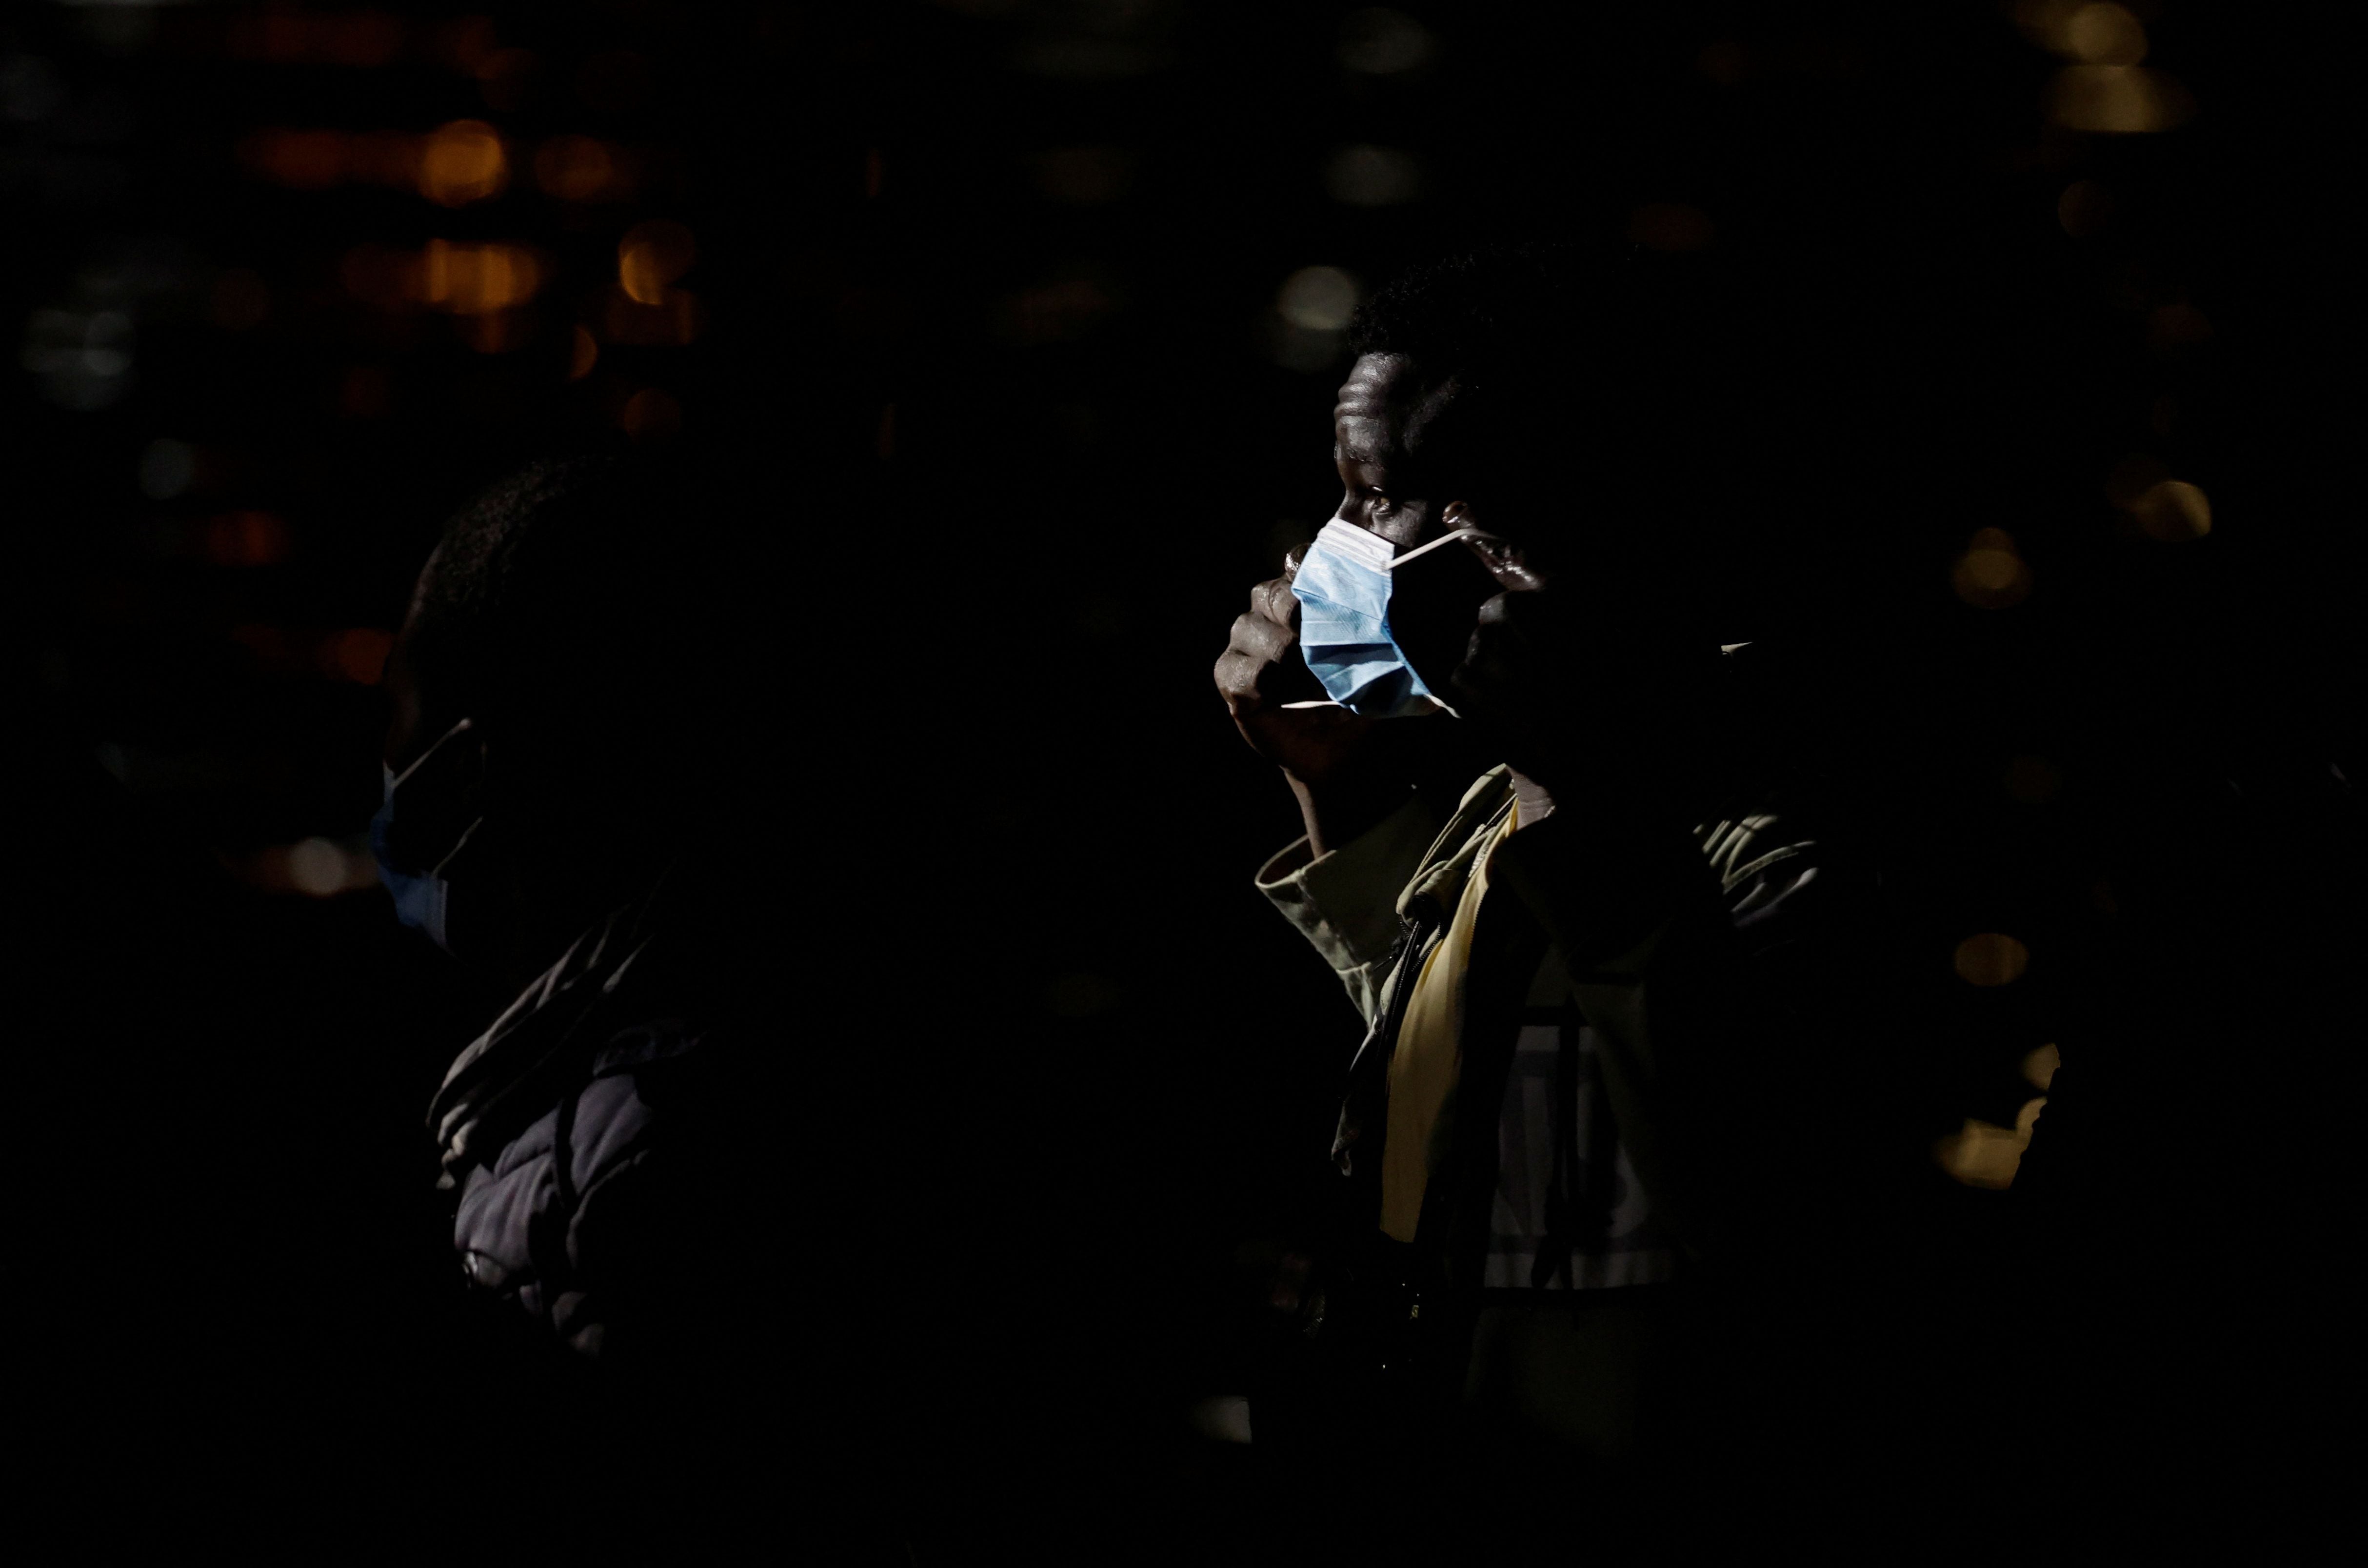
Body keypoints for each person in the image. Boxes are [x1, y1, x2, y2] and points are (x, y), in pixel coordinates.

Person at [1213, 244, 1943, 1558]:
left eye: (1433, 511)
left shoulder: (1776, 860)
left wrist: (1572, 779)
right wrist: (1329, 787)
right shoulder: (1489, 831)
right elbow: (1464, 1084)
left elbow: (1762, 1193)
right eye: (1353, 498)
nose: (1353, 554)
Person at [373, 439, 892, 1554]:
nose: (383, 779)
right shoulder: (673, 1055)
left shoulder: (648, 1146)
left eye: (397, 722)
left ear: (474, 767)